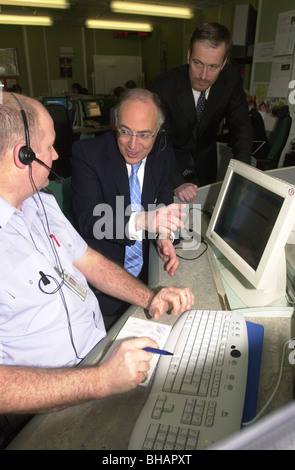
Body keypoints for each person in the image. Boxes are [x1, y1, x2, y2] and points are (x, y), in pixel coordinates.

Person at [0, 92, 195, 415]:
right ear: (24, 156)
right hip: (49, 401)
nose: (55, 153)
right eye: (49, 146)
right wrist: (99, 380)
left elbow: (88, 260)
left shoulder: (41, 203)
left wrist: (149, 297)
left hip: (99, 353)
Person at [71, 88, 186, 321]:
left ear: (158, 133)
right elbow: (88, 221)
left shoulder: (164, 156)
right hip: (98, 289)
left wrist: (162, 236)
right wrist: (145, 221)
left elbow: (163, 203)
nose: (133, 145)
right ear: (116, 125)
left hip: (145, 280)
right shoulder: (87, 153)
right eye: (125, 132)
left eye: (145, 135)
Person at [149, 22, 253, 203]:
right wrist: (177, 182)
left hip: (205, 169)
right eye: (198, 63)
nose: (204, 75)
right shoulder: (163, 86)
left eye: (213, 66)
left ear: (224, 63)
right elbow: (159, 142)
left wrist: (241, 175)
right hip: (169, 168)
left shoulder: (231, 79)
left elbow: (241, 126)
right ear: (189, 56)